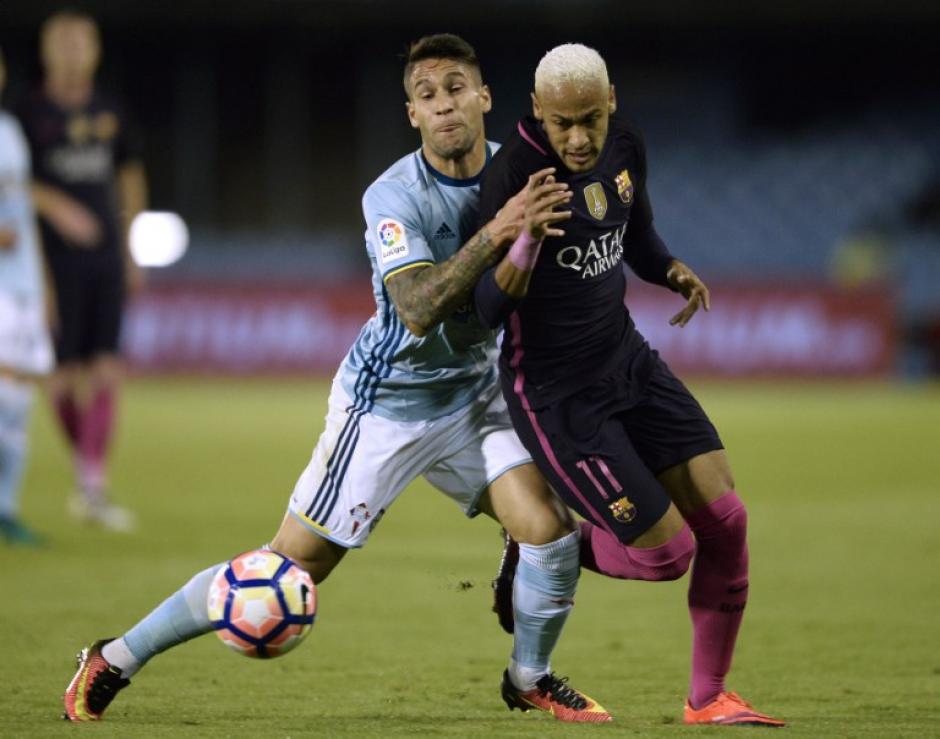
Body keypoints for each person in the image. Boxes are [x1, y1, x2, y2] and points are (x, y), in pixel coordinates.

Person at [62, 34, 610, 724]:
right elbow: (415, 310)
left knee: (552, 532)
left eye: (455, 89)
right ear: (412, 113)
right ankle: (114, 656)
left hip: (476, 395)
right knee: (286, 571)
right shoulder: (392, 194)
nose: (444, 106)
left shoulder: (519, 172)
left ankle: (530, 675)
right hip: (386, 406)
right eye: (427, 96)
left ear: (484, 98)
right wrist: (499, 232)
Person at [474, 43, 786, 728]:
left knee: (726, 522)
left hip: (627, 361)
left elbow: (634, 232)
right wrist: (523, 242)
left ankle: (709, 698)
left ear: (611, 99)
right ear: (537, 114)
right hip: (556, 394)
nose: (579, 138)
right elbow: (485, 311)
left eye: (590, 118)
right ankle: (543, 548)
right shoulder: (512, 178)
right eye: (563, 124)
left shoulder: (625, 144)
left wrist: (668, 266)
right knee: (668, 554)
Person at [16, 10, 147, 531]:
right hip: (48, 262)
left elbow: (130, 173)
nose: (72, 51)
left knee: (107, 367)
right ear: (47, 51)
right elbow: (10, 180)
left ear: (94, 51)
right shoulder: (24, 112)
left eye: (81, 42)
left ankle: (92, 482)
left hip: (106, 260)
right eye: (62, 42)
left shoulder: (109, 109)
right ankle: (86, 469)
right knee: (63, 378)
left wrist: (132, 246)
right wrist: (55, 205)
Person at [0, 47, 56, 546]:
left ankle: (6, 507)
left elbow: (21, 219)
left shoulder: (11, 132)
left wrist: (44, 287)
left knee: (17, 400)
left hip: (22, 287)